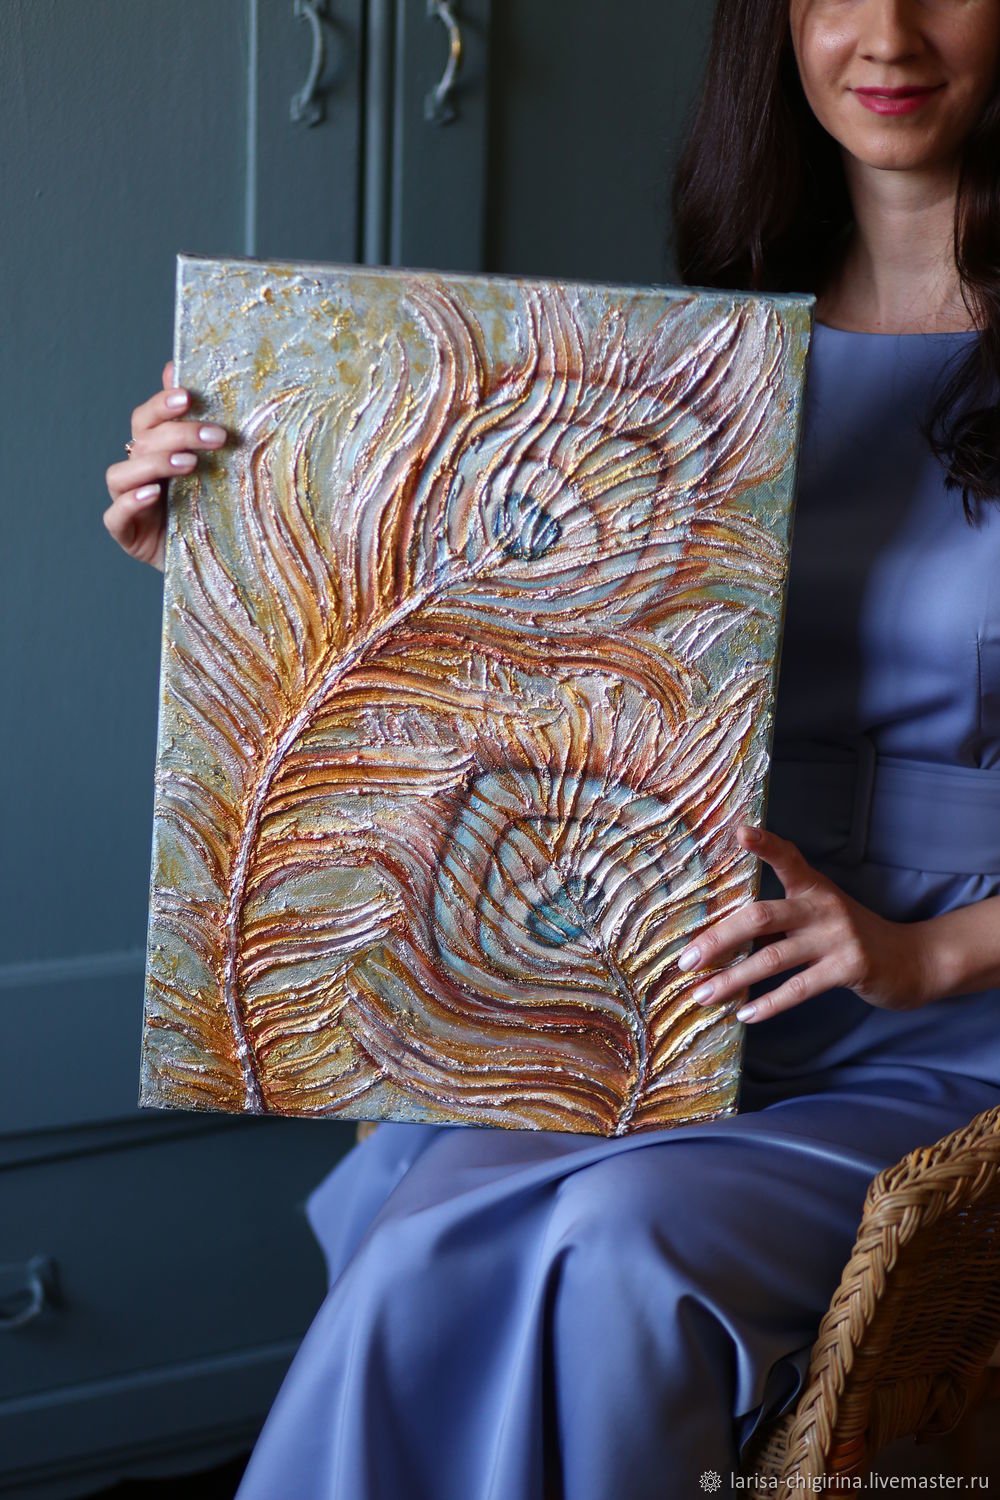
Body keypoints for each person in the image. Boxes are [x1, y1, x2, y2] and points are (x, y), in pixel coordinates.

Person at [104, 0, 1000, 1493]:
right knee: (419, 1229)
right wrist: (228, 548)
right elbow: (507, 675)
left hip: (954, 1017)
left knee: (609, 1250)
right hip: (685, 986)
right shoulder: (703, 351)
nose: (887, 32)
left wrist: (926, 956)